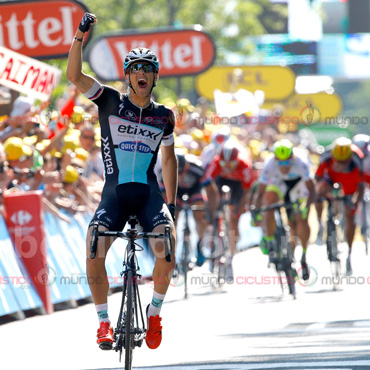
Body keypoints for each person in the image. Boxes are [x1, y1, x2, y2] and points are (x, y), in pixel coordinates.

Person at [67, 13, 177, 351]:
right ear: (127, 76)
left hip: (148, 195)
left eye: (147, 69)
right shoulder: (110, 100)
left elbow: (169, 160)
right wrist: (80, 34)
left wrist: (171, 204)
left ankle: (154, 313)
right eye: (135, 69)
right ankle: (103, 322)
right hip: (115, 194)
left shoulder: (164, 116)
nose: (141, 74)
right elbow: (73, 75)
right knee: (94, 244)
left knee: (167, 247)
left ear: (154, 77)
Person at [251, 139, 316, 281]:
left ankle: (303, 258)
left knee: (301, 220)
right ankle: (269, 240)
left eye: (287, 162)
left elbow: (312, 189)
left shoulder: (301, 163)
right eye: (280, 162)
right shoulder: (269, 165)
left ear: (292, 157)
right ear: (275, 159)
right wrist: (256, 211)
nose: (284, 166)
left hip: (298, 188)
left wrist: (307, 207)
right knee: (268, 202)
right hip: (279, 185)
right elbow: (260, 192)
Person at [158, 148, 219, 266]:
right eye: (176, 173)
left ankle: (200, 244)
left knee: (199, 212)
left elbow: (212, 192)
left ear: (186, 166)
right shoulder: (163, 173)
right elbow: (163, 197)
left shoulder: (196, 169)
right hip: (175, 193)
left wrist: (210, 214)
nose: (180, 176)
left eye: (181, 172)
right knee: (171, 219)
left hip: (194, 191)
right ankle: (172, 252)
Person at [315, 137, 364, 276]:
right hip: (332, 182)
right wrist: (320, 196)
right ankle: (324, 224)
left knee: (350, 218)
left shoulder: (356, 159)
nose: (341, 164)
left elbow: (361, 186)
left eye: (344, 161)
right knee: (320, 190)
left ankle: (349, 253)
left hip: (350, 188)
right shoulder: (327, 156)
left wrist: (356, 201)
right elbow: (317, 178)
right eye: (339, 161)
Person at [205, 138, 252, 280]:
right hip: (221, 181)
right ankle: (215, 227)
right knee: (214, 204)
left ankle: (231, 255)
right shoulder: (216, 162)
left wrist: (239, 208)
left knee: (233, 219)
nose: (228, 166)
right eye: (224, 163)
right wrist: (211, 207)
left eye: (232, 163)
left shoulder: (244, 164)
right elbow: (208, 185)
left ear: (237, 160)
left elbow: (246, 192)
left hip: (237, 186)